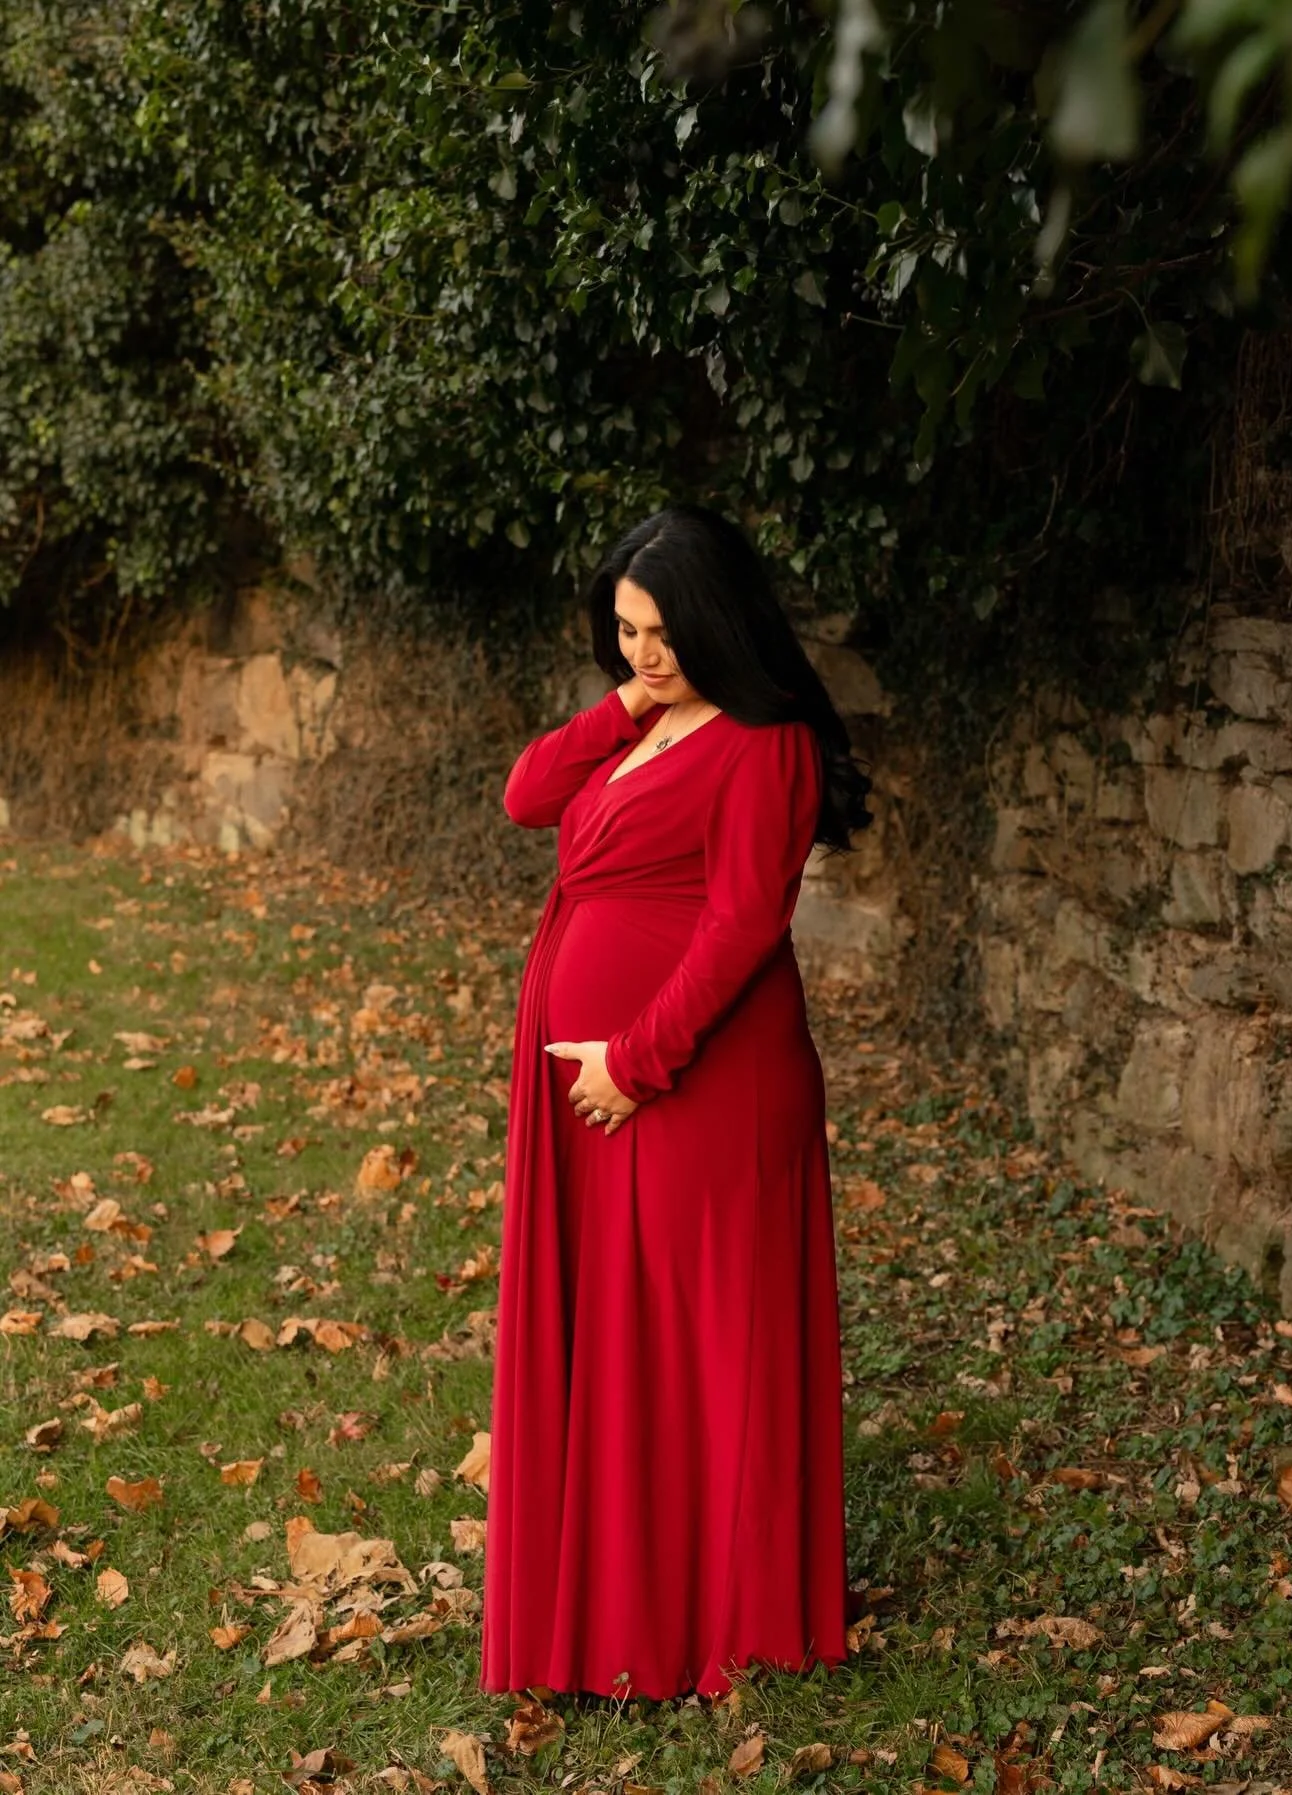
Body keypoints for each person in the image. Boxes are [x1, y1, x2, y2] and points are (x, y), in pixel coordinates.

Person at [480, 503, 871, 1702]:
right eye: (624, 629)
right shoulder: (640, 721)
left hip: (699, 1081)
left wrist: (635, 1061)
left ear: (715, 616)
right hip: (604, 1086)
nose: (642, 651)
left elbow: (745, 924)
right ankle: (609, 1593)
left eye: (661, 631)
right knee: (620, 1335)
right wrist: (630, 700)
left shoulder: (769, 741)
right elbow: (524, 795)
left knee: (696, 1342)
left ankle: (703, 1613)